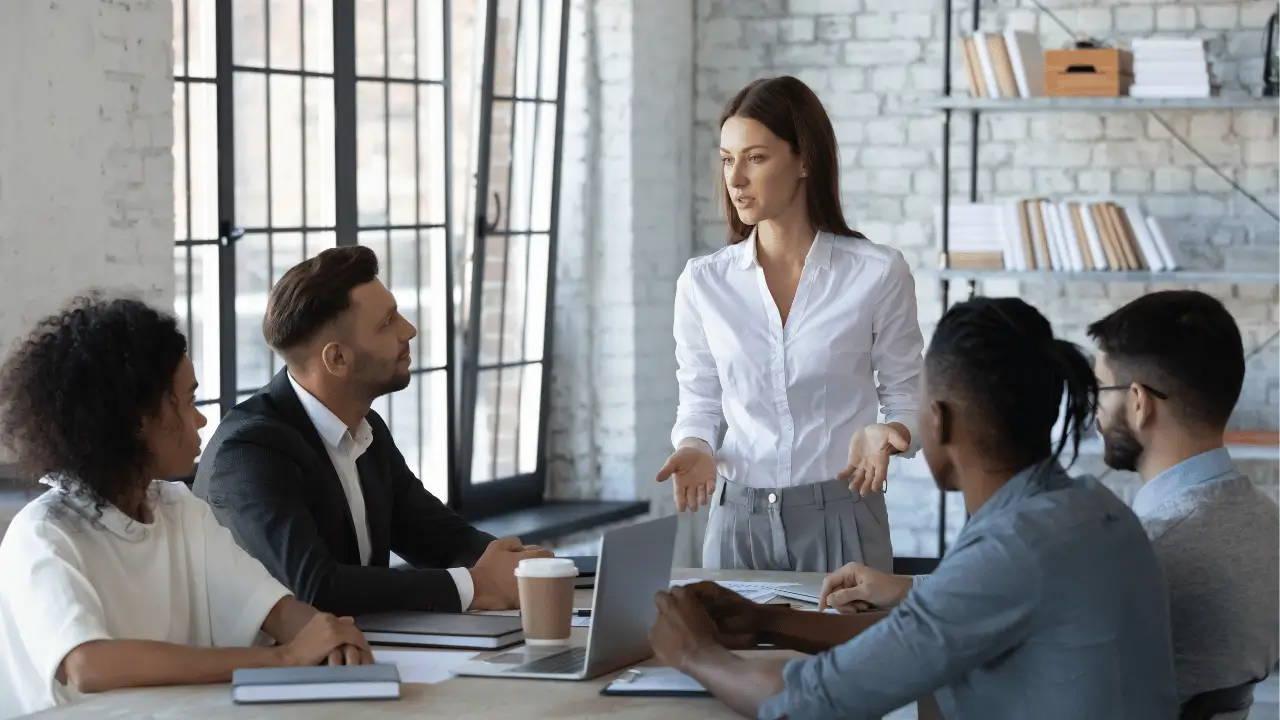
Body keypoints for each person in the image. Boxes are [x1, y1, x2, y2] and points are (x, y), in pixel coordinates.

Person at [648, 297, 1179, 720]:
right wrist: (763, 619)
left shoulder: (1011, 550)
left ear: (941, 422)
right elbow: (915, 639)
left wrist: (695, 652)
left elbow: (813, 701)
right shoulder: (1088, 508)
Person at [0, 297, 373, 719]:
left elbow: (278, 611)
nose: (200, 421)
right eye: (188, 400)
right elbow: (90, 665)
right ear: (140, 418)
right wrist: (283, 659)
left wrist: (329, 638)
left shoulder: (179, 510)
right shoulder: (45, 533)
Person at [657, 75, 924, 573]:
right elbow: (700, 398)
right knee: (726, 654)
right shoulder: (703, 282)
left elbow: (908, 391)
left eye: (755, 158)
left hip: (844, 517)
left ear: (804, 160)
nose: (735, 179)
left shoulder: (878, 272)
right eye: (726, 159)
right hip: (736, 522)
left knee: (852, 652)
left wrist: (889, 431)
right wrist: (694, 446)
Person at [193, 246, 548, 616]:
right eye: (388, 322)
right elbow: (314, 587)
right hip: (269, 669)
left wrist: (523, 567)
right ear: (337, 359)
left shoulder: (365, 428)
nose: (409, 330)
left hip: (360, 655)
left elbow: (437, 535)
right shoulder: (250, 450)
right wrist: (478, 586)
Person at [1089, 290, 1279, 711]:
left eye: (1101, 388)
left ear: (1138, 403)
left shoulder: (1144, 551)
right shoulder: (1270, 523)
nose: (1096, 410)